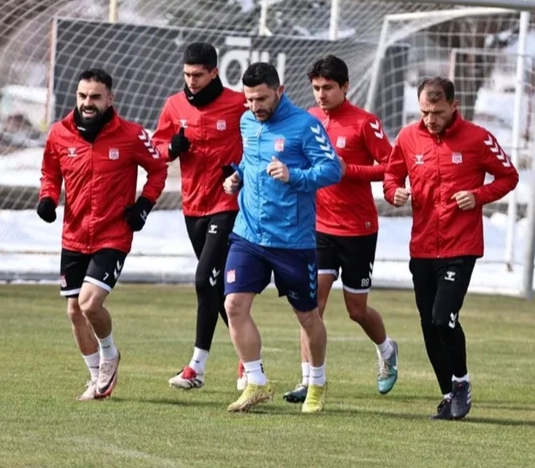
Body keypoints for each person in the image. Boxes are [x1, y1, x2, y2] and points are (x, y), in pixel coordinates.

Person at [383, 77, 518, 420]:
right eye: (424, 112)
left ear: (454, 106)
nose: (430, 119)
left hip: (460, 246)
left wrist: (478, 196)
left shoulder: (478, 138)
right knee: (429, 324)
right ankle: (448, 394)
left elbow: (509, 176)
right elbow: (391, 176)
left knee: (443, 318)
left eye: (438, 112)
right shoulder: (408, 138)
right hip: (422, 246)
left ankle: (461, 382)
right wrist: (394, 193)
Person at [37, 68, 168, 400]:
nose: (87, 102)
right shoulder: (59, 133)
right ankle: (97, 379)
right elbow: (50, 171)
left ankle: (110, 354)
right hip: (74, 234)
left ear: (110, 99)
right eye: (82, 96)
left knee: (89, 304)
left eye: (95, 97)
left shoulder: (131, 134)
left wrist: (143, 205)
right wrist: (48, 198)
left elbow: (158, 170)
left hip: (113, 235)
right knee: (74, 311)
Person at [221, 62, 342, 414]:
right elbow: (251, 162)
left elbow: (332, 169)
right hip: (248, 234)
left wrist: (294, 175)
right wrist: (237, 178)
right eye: (249, 100)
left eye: (261, 99)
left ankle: (316, 382)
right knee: (233, 306)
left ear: (280, 91)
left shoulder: (305, 125)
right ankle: (256, 380)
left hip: (292, 240)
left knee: (307, 317)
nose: (254, 106)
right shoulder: (247, 122)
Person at [278, 55, 398, 404]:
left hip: (358, 229)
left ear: (345, 86)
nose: (321, 94)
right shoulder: (308, 119)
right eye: (316, 88)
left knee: (356, 310)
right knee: (311, 306)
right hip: (318, 228)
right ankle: (309, 380)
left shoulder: (364, 123)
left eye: (328, 87)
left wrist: (350, 170)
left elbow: (392, 166)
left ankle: (387, 350)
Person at [152, 42, 248, 391]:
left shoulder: (238, 104)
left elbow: (260, 137)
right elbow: (157, 148)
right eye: (187, 74)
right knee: (216, 287)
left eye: (198, 75)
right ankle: (249, 358)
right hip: (192, 206)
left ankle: (197, 366)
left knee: (203, 278)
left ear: (214, 72)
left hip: (227, 205)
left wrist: (239, 169)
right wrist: (170, 148)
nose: (191, 80)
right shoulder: (174, 105)